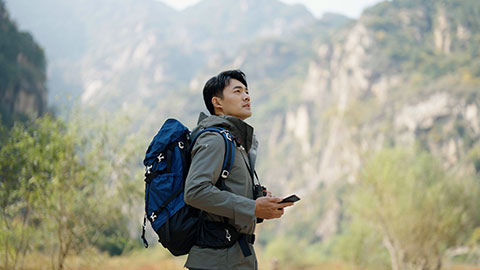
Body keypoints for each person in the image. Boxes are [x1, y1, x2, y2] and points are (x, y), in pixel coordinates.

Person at [184, 69, 294, 270]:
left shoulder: (235, 143)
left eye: (247, 91)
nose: (246, 96)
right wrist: (252, 207)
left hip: (236, 258)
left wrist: (259, 202)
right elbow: (195, 192)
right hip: (216, 261)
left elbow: (228, 196)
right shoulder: (214, 139)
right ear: (217, 102)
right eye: (237, 91)